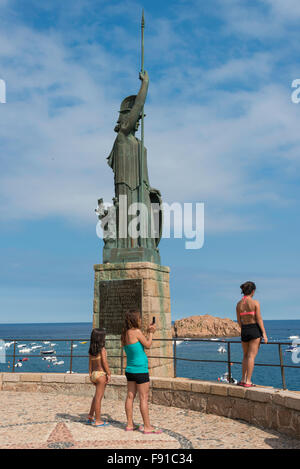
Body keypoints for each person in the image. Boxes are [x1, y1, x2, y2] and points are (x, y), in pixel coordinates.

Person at [121, 310, 162, 434]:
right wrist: (151, 333)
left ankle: (129, 424)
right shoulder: (137, 332)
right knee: (143, 398)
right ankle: (148, 426)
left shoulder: (124, 334)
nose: (140, 320)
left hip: (130, 370)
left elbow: (136, 345)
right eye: (139, 318)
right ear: (135, 319)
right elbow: (148, 344)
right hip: (141, 370)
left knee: (130, 396)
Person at [236, 281, 268, 387]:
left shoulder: (238, 304)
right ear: (253, 291)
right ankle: (248, 381)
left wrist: (244, 329)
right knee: (251, 356)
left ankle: (243, 379)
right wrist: (264, 333)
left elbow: (239, 321)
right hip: (254, 329)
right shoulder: (255, 303)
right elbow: (259, 319)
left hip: (244, 330)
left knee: (245, 356)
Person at [87, 328, 111, 427]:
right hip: (101, 375)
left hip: (93, 374)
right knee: (99, 398)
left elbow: (90, 365)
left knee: (96, 396)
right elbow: (104, 363)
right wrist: (109, 374)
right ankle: (98, 420)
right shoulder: (102, 349)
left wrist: (90, 376)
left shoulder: (91, 350)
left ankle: (90, 415)